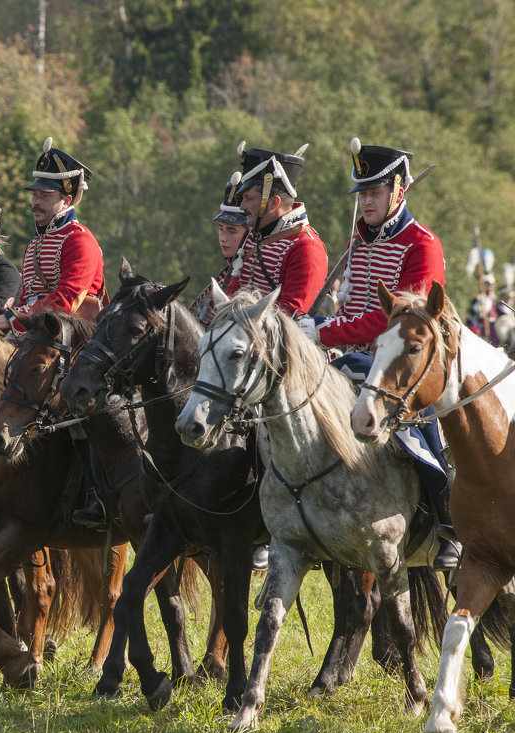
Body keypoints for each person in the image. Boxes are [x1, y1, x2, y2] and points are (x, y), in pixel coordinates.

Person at [295, 140, 458, 569]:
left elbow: (398, 323)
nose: (366, 201)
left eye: (374, 192)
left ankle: (450, 520)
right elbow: (354, 310)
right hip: (352, 358)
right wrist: (329, 325)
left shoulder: (422, 245)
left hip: (405, 366)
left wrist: (324, 331)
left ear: (398, 191)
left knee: (419, 430)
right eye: (362, 193)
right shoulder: (360, 243)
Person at [0, 137, 105, 333]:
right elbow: (27, 297)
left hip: (69, 334)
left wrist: (14, 319)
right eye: (34, 195)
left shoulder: (80, 239)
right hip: (34, 330)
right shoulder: (35, 243)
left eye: (45, 196)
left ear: (66, 201)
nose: (36, 202)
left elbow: (68, 297)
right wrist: (10, 312)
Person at [229, 142, 328, 317]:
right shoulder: (254, 234)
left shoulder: (306, 247)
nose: (242, 206)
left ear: (274, 203)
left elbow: (291, 314)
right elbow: (232, 290)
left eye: (248, 198)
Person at [189, 170, 249, 324]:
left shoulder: (258, 270)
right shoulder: (229, 271)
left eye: (232, 230)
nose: (223, 238)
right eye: (221, 229)